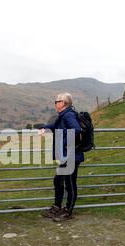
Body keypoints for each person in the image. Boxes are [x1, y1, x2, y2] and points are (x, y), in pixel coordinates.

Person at [38, 92, 84, 222]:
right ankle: (57, 207)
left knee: (70, 183)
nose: (55, 103)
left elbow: (76, 130)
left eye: (56, 101)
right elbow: (55, 126)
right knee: (58, 180)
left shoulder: (68, 115)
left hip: (72, 155)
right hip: (67, 155)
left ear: (63, 103)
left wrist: (63, 144)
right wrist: (44, 127)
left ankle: (68, 210)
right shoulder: (63, 115)